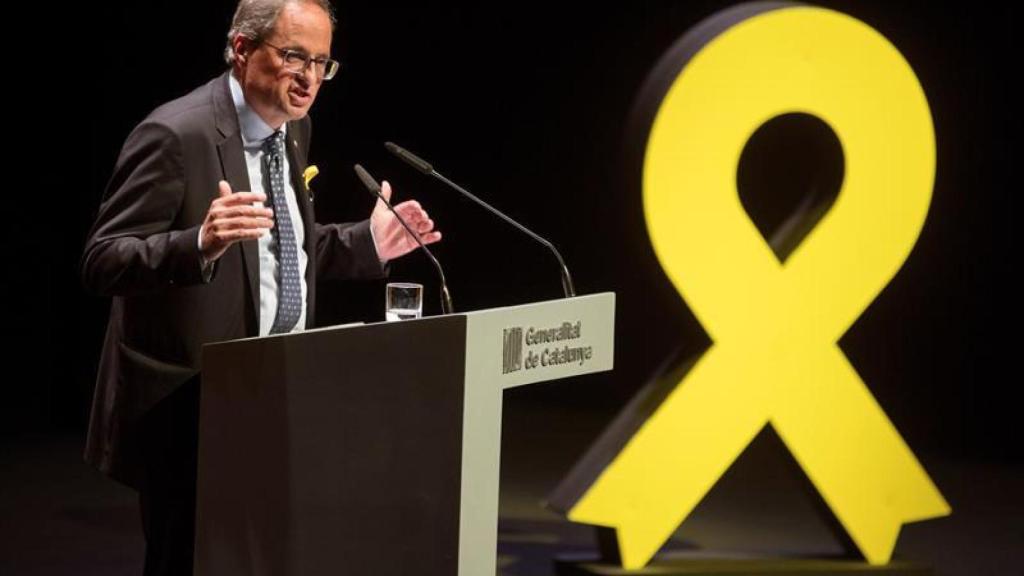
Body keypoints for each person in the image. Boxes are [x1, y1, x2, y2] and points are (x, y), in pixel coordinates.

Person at [80, 1, 439, 573]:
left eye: (323, 62)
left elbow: (278, 252)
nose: (310, 78)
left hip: (276, 394)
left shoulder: (292, 128)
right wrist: (196, 242)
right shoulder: (176, 134)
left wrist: (368, 243)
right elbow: (102, 260)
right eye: (295, 56)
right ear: (242, 49)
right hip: (190, 407)